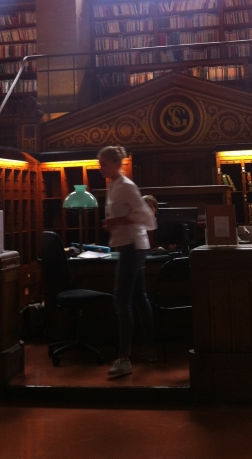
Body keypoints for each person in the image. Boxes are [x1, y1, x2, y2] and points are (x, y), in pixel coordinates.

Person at [98, 145, 157, 378]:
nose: (101, 168)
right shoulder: (113, 185)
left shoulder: (126, 186)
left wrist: (118, 221)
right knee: (138, 298)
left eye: (104, 164)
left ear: (116, 163)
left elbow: (146, 216)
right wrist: (114, 223)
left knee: (121, 299)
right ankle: (151, 348)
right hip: (130, 245)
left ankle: (124, 359)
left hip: (133, 245)